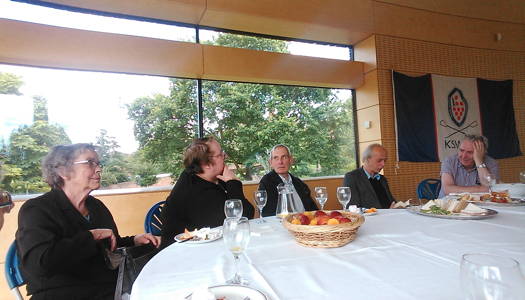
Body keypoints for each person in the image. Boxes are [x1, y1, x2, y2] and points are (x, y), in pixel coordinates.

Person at [16, 143, 159, 300]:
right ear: (63, 171)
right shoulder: (37, 209)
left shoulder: (95, 206)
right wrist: (91, 236)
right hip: (62, 293)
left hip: (107, 288)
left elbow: (110, 245)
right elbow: (40, 264)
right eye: (90, 163)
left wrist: (134, 240)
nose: (98, 169)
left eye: (98, 163)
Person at [160, 137, 254, 249]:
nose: (226, 157)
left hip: (206, 247)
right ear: (206, 164)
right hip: (181, 254)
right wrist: (233, 183)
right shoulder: (193, 191)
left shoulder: (213, 179)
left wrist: (231, 183)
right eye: (220, 155)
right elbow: (240, 220)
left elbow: (247, 214)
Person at [258, 144, 318, 216]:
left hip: (305, 224)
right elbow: (267, 213)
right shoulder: (266, 182)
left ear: (291, 160)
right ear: (271, 163)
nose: (280, 162)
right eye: (276, 158)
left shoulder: (299, 183)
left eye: (284, 157)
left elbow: (313, 210)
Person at [343, 144, 396, 209]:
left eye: (385, 161)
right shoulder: (352, 178)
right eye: (379, 161)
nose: (383, 164)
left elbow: (391, 202)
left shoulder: (382, 179)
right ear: (367, 159)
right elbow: (352, 208)